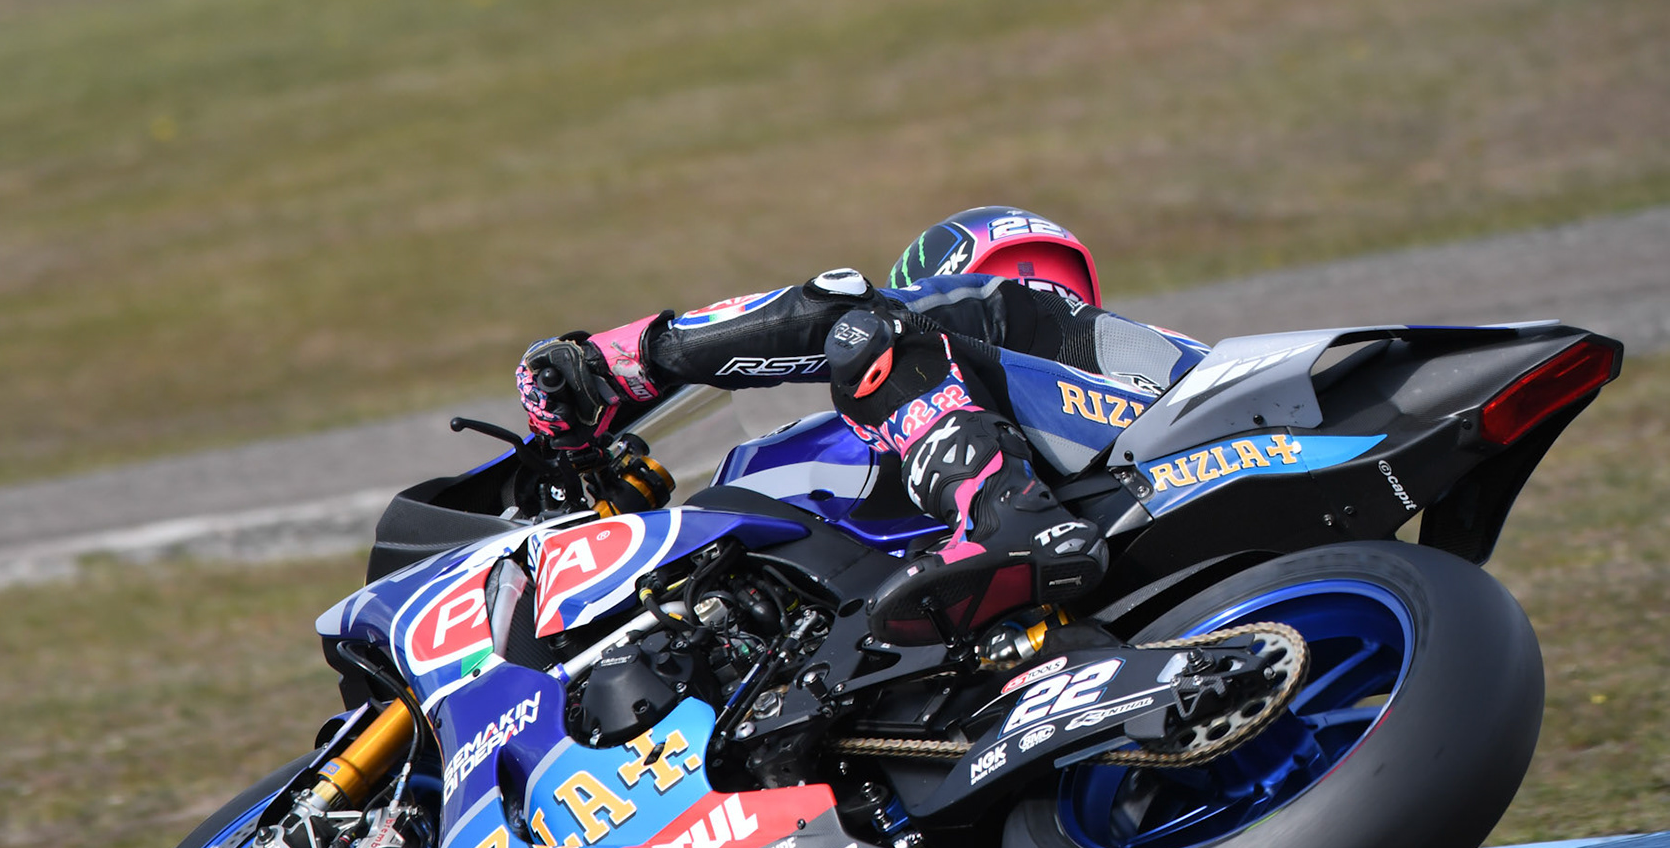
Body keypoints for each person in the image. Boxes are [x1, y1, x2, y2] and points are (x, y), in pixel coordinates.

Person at [515, 206, 1207, 644]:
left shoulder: (1005, 315)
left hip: (1145, 456)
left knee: (859, 332)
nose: (1038, 287)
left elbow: (843, 311)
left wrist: (617, 364)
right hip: (1132, 526)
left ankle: (1006, 515)